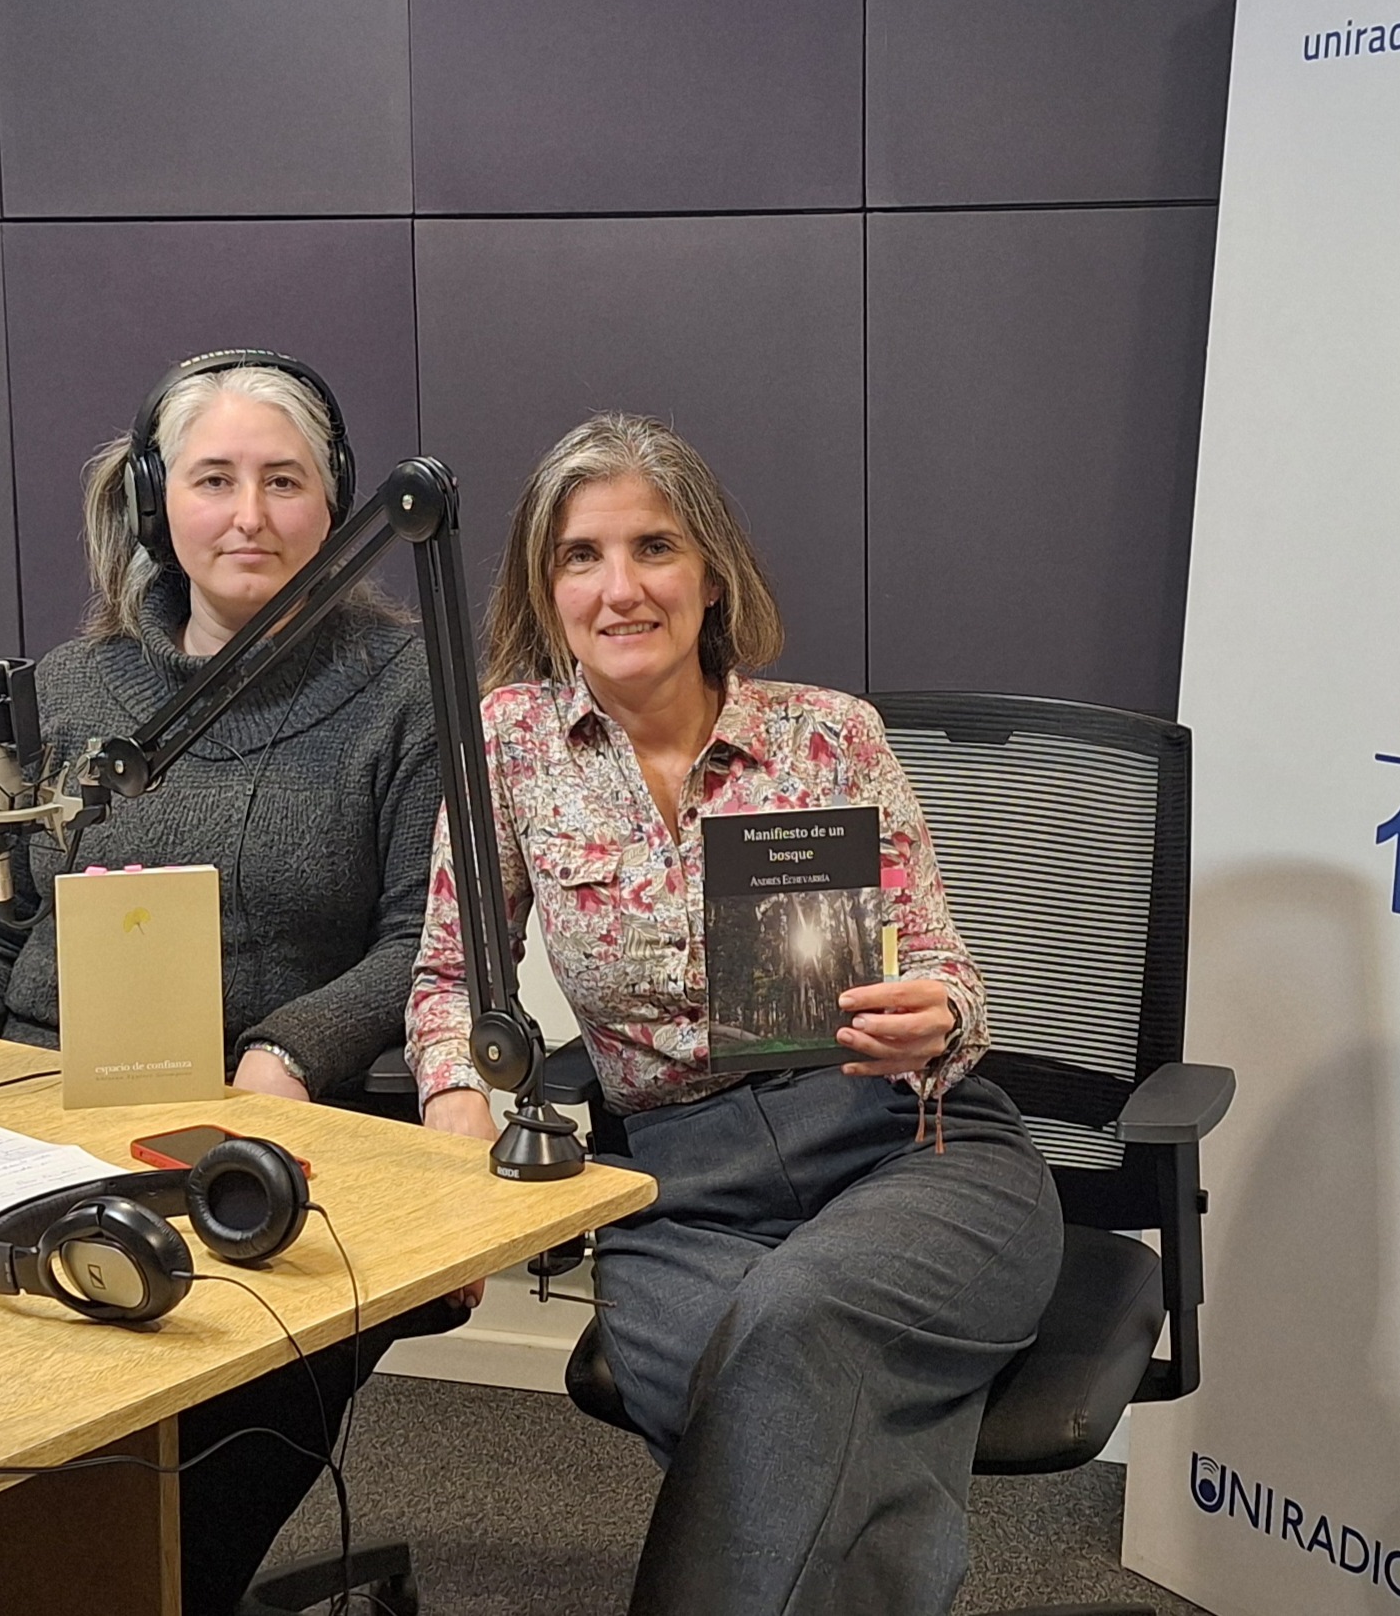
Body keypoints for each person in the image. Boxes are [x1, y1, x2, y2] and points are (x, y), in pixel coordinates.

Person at [406, 412, 1065, 1614]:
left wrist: (937, 1012)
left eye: (653, 547)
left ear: (710, 573)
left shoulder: (830, 735)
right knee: (781, 1383)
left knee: (788, 1320)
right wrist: (455, 1102)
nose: (619, 588)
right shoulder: (504, 748)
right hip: (678, 1192)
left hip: (904, 1148)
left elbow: (945, 968)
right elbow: (452, 978)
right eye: (580, 556)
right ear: (544, 587)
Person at [0, 351, 447, 1616]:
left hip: (253, 1136)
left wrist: (287, 1052)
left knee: (171, 1497)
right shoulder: (70, 688)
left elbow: (420, 943)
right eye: (213, 480)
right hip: (35, 1111)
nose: (248, 515)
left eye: (283, 481)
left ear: (337, 502)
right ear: (158, 502)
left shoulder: (409, 691)